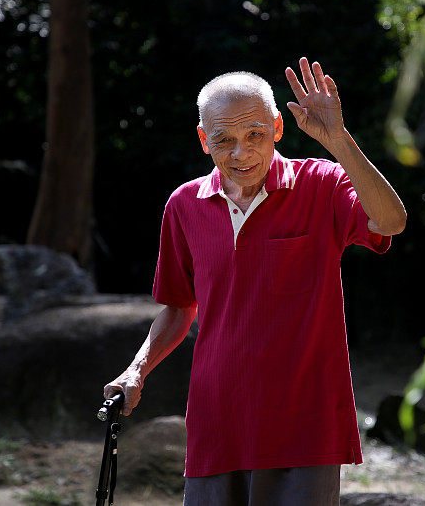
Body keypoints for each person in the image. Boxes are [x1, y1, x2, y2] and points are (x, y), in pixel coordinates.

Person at [104, 57, 407, 505]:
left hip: (305, 425)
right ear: (205, 141)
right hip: (216, 424)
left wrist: (338, 140)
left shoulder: (322, 184)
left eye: (254, 136)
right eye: (224, 140)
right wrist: (136, 371)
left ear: (278, 129)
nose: (240, 154)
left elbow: (391, 221)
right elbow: (178, 307)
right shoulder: (184, 205)